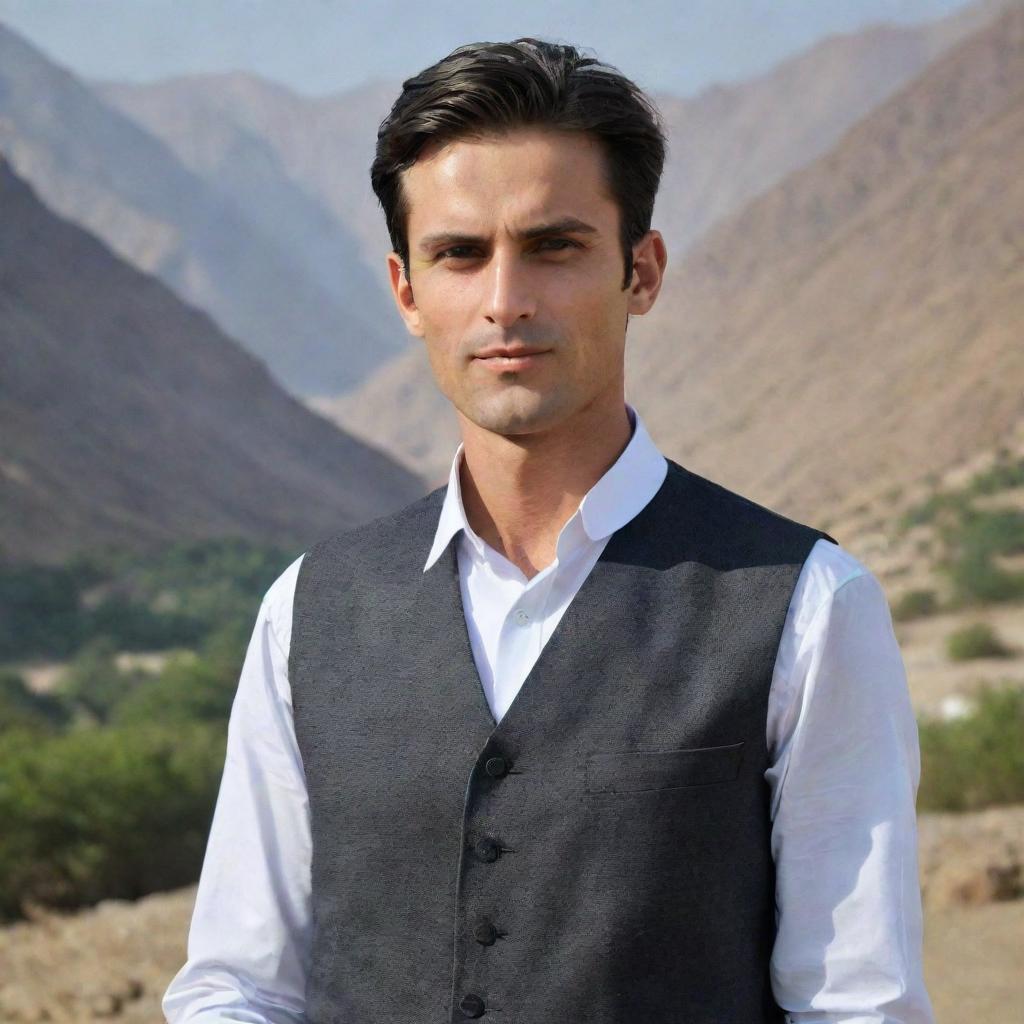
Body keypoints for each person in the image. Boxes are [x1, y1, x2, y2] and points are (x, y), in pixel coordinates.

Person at [162, 37, 934, 1024]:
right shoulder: (309, 611)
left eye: (554, 246)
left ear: (641, 272)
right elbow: (239, 986)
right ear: (407, 292)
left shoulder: (809, 607)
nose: (504, 301)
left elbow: (856, 1005)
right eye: (459, 253)